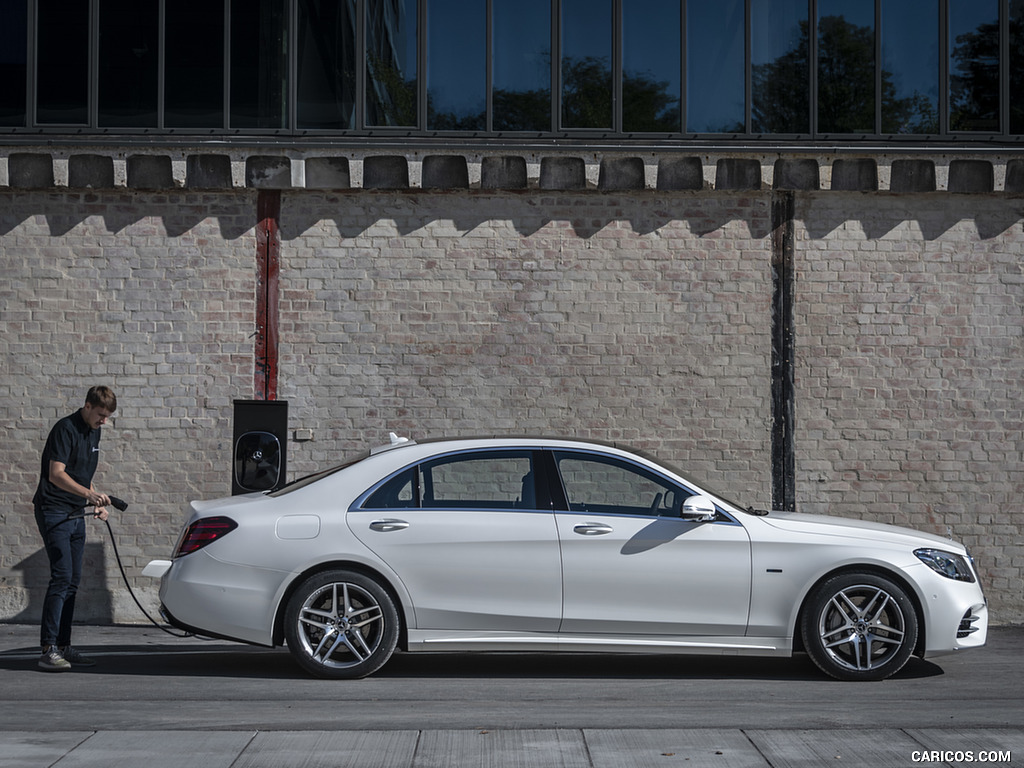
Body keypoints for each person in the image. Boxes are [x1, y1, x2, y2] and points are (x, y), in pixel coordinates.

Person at [33, 386, 117, 671]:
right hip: (53, 509)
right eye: (101, 415)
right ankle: (48, 649)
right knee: (62, 576)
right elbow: (56, 474)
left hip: (74, 512)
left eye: (107, 417)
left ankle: (64, 646)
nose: (103, 421)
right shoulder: (65, 429)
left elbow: (82, 475)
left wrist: (96, 500)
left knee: (73, 580)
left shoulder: (95, 431)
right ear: (87, 406)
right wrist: (88, 495)